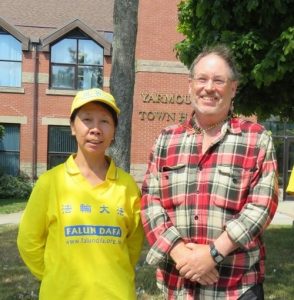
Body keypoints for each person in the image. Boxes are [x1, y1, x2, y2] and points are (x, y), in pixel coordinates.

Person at [141, 45, 279, 299]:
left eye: (219, 80)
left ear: (233, 88)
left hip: (237, 287)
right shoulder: (166, 140)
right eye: (202, 79)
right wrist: (181, 253)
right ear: (190, 84)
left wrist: (212, 254)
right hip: (179, 286)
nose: (209, 87)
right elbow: (150, 203)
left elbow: (262, 206)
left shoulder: (255, 139)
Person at [17, 88, 144, 300]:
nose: (96, 129)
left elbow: (133, 244)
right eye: (87, 119)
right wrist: (55, 275)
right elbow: (28, 241)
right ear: (73, 127)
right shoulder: (50, 183)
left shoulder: (127, 185)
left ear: (114, 131)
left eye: (105, 121)